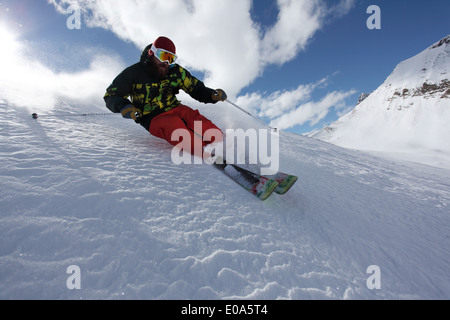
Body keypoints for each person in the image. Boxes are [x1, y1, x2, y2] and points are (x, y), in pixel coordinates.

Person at [104, 36, 227, 160]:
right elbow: (111, 94)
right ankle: (205, 152)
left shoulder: (175, 72)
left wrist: (212, 95)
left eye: (171, 59)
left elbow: (196, 88)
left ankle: (223, 144)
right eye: (163, 56)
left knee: (196, 119)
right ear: (152, 52)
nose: (166, 63)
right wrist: (124, 106)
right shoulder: (134, 73)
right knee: (175, 126)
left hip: (174, 107)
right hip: (151, 116)